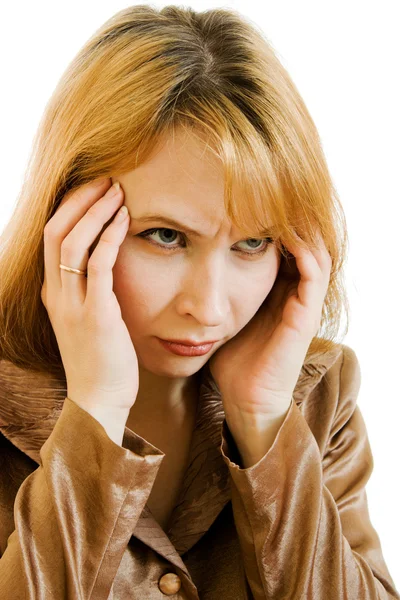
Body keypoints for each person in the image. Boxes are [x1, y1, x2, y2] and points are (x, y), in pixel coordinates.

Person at [0, 4, 398, 599]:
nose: (209, 309)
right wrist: (95, 416)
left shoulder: (318, 394)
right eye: (165, 236)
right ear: (71, 220)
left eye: (252, 243)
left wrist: (265, 424)